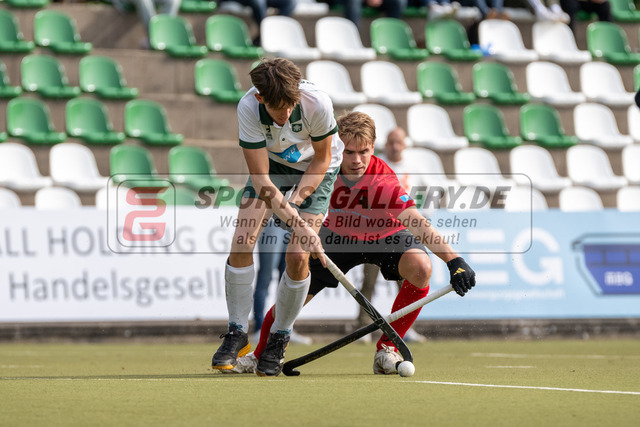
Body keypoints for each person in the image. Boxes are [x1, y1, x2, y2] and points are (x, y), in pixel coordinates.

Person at [230, 111, 476, 376]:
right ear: (337, 147)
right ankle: (259, 355)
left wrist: (454, 260)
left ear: (373, 147)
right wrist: (287, 211)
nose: (357, 160)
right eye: (349, 152)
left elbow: (416, 222)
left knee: (421, 267)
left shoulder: (383, 179)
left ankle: (387, 349)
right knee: (291, 294)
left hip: (386, 236)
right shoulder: (322, 167)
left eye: (363, 151)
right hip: (336, 238)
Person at [210, 57, 342, 377]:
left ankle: (279, 337)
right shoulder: (248, 107)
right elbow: (261, 180)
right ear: (260, 98)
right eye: (277, 108)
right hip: (273, 167)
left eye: (290, 106)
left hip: (318, 168)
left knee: (297, 256)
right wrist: (295, 221)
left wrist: (296, 202)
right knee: (242, 241)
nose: (285, 114)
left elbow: (322, 160)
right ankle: (237, 332)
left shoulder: (317, 103)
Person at [359, 127, 430, 343]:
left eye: (399, 142)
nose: (395, 146)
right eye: (391, 142)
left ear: (405, 144)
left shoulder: (413, 169)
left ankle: (404, 328)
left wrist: (422, 218)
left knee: (407, 281)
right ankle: (363, 326)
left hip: (402, 232)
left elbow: (427, 195)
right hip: (375, 231)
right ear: (385, 144)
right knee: (369, 280)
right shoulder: (376, 165)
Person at [253, 221, 312, 345]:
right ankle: (260, 328)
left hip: (293, 223)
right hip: (272, 222)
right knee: (265, 276)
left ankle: (284, 328)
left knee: (288, 277)